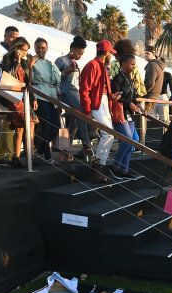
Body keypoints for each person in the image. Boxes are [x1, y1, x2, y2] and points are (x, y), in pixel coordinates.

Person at [80, 40, 118, 183]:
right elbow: (84, 89)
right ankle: (98, 167)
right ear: (107, 52)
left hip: (102, 102)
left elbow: (96, 89)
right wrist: (87, 109)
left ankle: (98, 166)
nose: (112, 57)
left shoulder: (99, 65)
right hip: (97, 104)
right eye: (111, 54)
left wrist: (111, 96)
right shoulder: (93, 65)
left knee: (109, 134)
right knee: (108, 133)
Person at [0, 37, 37, 168]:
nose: (24, 53)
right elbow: (8, 75)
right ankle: (17, 156)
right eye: (22, 50)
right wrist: (17, 60)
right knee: (20, 127)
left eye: (26, 50)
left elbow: (29, 81)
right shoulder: (7, 58)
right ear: (16, 48)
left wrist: (34, 98)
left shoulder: (26, 62)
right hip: (13, 97)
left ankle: (28, 154)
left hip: (24, 96)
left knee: (31, 124)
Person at [55, 36, 92, 160]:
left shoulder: (75, 62)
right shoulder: (61, 60)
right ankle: (86, 145)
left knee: (74, 121)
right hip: (64, 94)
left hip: (75, 93)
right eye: (79, 53)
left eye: (82, 54)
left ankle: (66, 148)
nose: (80, 56)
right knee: (78, 115)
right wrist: (65, 71)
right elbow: (53, 78)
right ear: (72, 49)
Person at [110, 54, 143, 178]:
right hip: (120, 113)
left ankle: (124, 169)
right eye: (131, 64)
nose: (133, 67)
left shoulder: (129, 77)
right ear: (123, 64)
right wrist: (129, 103)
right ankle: (116, 167)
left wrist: (138, 104)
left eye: (134, 64)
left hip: (129, 114)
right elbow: (116, 97)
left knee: (132, 141)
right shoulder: (117, 79)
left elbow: (132, 95)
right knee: (127, 141)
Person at [32, 37, 62, 164]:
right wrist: (30, 65)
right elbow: (30, 80)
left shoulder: (51, 63)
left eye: (43, 48)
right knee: (47, 126)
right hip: (39, 94)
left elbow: (57, 81)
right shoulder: (31, 61)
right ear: (34, 48)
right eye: (38, 47)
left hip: (52, 96)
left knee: (56, 126)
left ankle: (41, 149)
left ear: (47, 48)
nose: (40, 50)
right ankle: (48, 156)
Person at [142, 45, 167, 122]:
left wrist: (141, 93)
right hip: (154, 96)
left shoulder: (152, 65)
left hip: (149, 96)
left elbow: (150, 83)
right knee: (149, 121)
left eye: (147, 53)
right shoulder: (158, 65)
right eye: (145, 53)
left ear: (153, 53)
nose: (145, 55)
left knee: (144, 121)